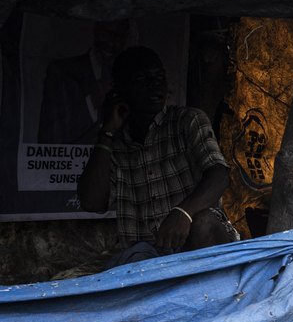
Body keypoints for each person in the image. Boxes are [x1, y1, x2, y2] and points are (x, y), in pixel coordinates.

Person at [76, 46, 238, 264]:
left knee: (203, 223)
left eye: (160, 76)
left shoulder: (188, 120)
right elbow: (92, 202)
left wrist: (183, 212)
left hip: (197, 240)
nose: (155, 84)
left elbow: (218, 174)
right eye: (142, 78)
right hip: (146, 252)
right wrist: (106, 132)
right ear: (120, 90)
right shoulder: (116, 140)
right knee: (127, 264)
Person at [37, 20, 130, 145]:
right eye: (107, 34)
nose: (111, 43)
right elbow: (49, 137)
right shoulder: (61, 71)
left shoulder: (129, 77)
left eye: (119, 38)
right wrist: (91, 102)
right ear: (96, 29)